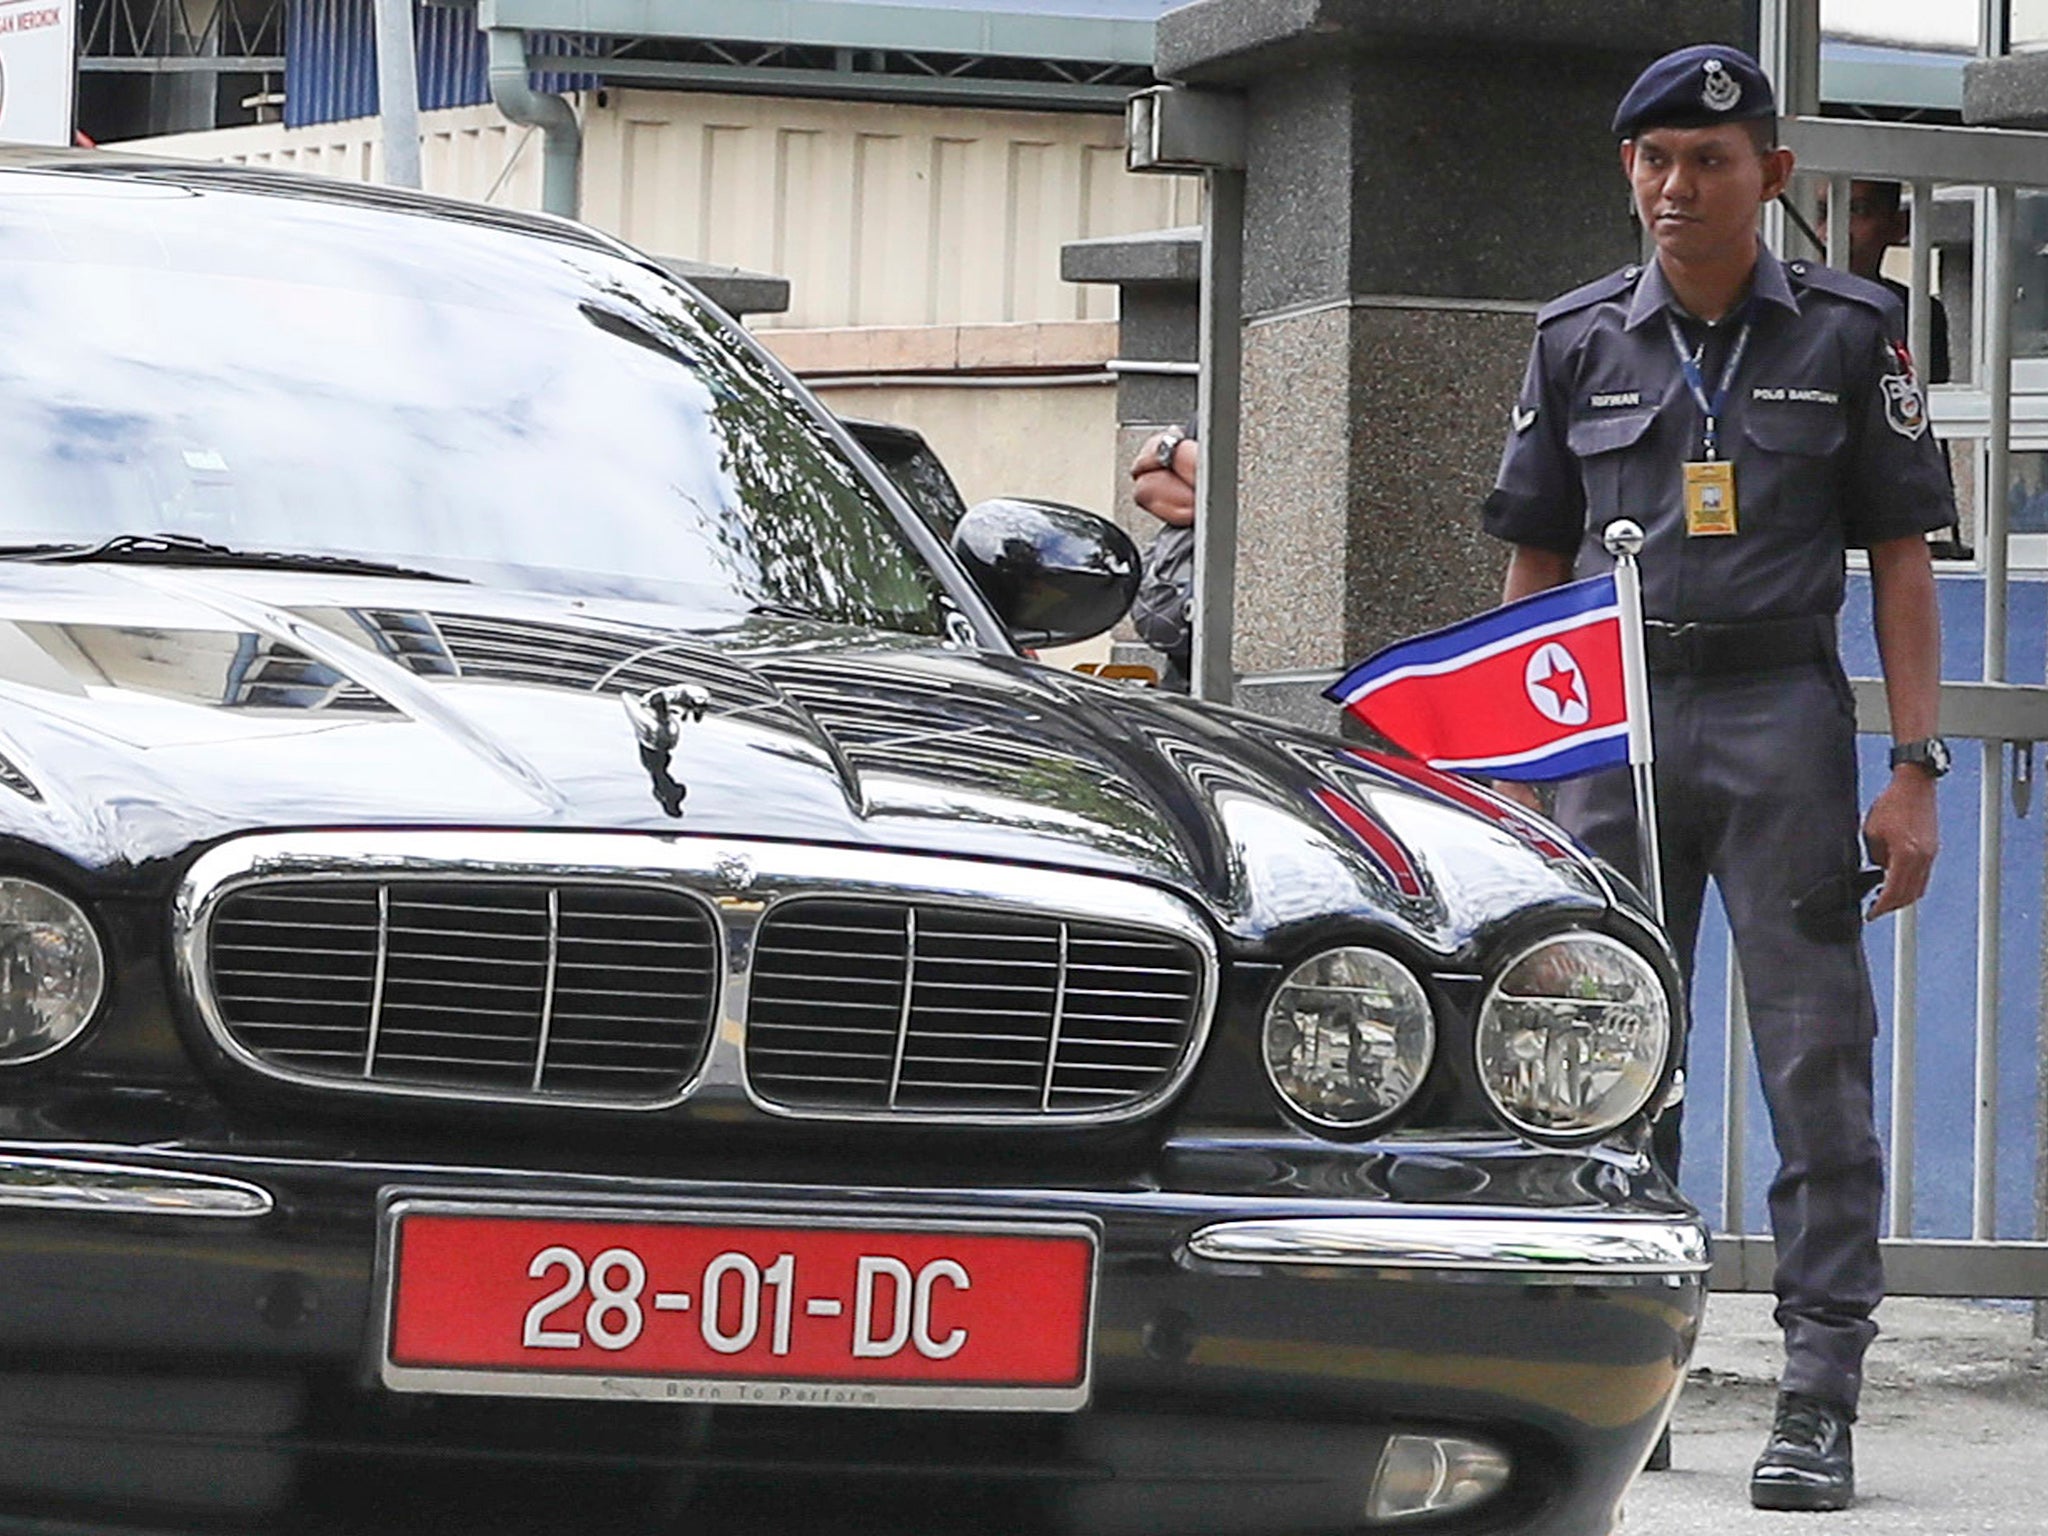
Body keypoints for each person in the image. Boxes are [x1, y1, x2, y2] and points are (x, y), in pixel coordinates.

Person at [1480, 45, 1954, 1513]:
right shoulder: (1575, 341)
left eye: (1711, 161)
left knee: (1817, 1063)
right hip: (1614, 730)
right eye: (1654, 161)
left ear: (1774, 177)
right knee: (1607, 1058)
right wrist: (1520, 771)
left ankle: (1819, 1395)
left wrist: (1916, 766)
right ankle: (1630, 1374)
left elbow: (1897, 563)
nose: (1676, 189)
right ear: (1627, 170)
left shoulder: (1849, 333)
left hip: (1777, 718)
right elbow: (1534, 567)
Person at [1129, 422, 1198, 691]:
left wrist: (1169, 448)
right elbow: (1148, 487)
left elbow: (1234, 488)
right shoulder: (1209, 410)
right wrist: (1175, 450)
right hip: (1186, 657)